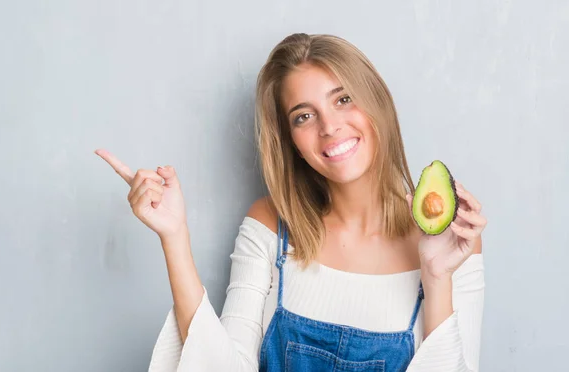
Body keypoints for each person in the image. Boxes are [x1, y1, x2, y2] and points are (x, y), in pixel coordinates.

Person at [95, 33, 487, 372]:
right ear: (292, 144)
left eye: (344, 99)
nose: (329, 127)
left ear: (377, 104)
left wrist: (437, 278)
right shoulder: (270, 226)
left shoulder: (451, 241)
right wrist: (175, 237)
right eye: (303, 117)